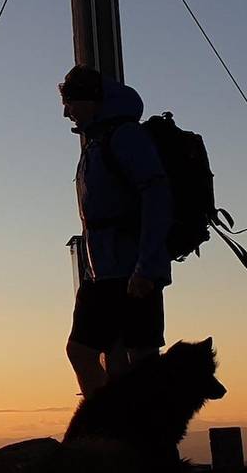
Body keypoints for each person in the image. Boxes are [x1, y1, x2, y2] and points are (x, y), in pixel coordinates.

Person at [60, 64, 173, 399]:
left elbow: (156, 195)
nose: (67, 113)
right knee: (115, 357)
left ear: (93, 100)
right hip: (105, 271)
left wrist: (147, 266)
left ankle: (127, 432)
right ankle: (117, 433)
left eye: (72, 103)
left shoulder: (124, 137)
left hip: (131, 268)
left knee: (136, 358)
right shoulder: (99, 142)